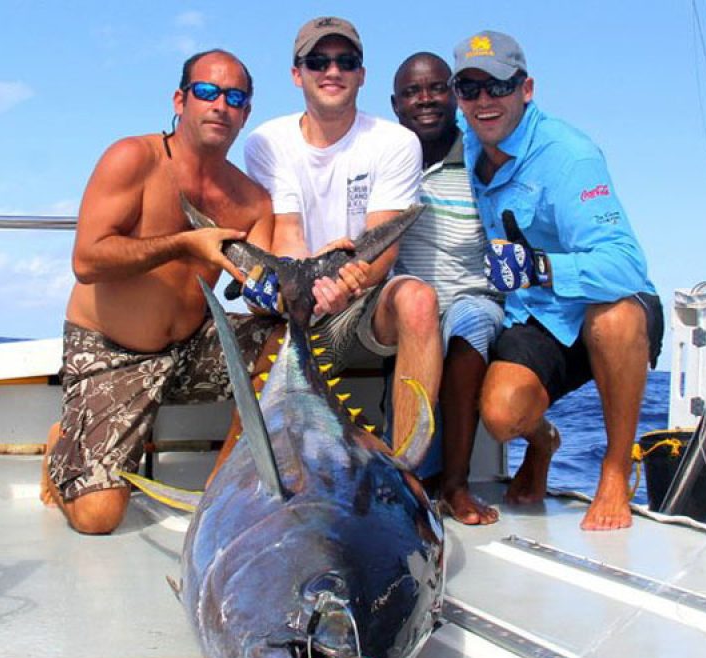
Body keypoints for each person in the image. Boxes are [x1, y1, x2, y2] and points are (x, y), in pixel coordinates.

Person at [40, 50, 278, 535]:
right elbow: (87, 260)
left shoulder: (253, 200)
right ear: (180, 99)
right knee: (98, 519)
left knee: (286, 340)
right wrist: (184, 244)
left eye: (234, 98)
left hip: (191, 350)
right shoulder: (133, 158)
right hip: (112, 353)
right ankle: (62, 447)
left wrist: (321, 272)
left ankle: (224, 488)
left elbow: (262, 294)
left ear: (246, 113)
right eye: (207, 92)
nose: (220, 106)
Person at [452, 31, 665, 530]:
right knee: (502, 416)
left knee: (614, 318)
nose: (484, 100)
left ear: (526, 89)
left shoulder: (570, 156)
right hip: (537, 315)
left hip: (599, 305)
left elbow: (627, 265)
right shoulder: (466, 142)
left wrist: (541, 268)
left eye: (499, 86)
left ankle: (614, 469)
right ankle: (544, 441)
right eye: (470, 87)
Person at [243, 16, 440, 450]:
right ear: (297, 74)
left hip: (361, 296)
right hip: (295, 298)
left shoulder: (396, 142)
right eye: (318, 61)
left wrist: (348, 282)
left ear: (361, 75)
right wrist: (310, 287)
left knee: (420, 302)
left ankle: (405, 469)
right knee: (265, 338)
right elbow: (287, 234)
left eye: (345, 61)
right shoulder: (265, 142)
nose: (332, 71)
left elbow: (382, 250)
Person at [389, 52, 503, 525]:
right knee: (419, 309)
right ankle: (409, 479)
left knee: (468, 318)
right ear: (396, 104)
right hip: (411, 307)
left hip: (474, 303)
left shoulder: (483, 157)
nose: (426, 100)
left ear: (454, 96)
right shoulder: (387, 159)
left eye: (437, 88)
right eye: (413, 92)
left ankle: (455, 484)